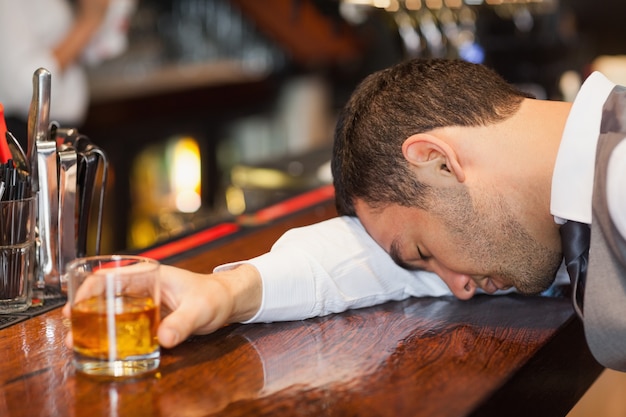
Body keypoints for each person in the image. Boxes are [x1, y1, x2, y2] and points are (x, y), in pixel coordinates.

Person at [63, 58, 626, 370]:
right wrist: (230, 292)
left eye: (425, 252)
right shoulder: (560, 207)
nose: (459, 289)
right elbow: (376, 262)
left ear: (436, 161)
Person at [0, 0, 132, 148]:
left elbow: (103, 47)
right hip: (26, 136)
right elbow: (25, 88)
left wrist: (103, 13)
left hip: (59, 133)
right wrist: (89, 21)